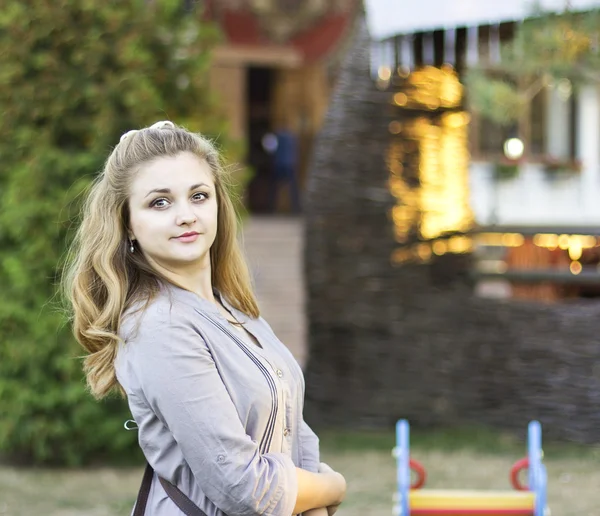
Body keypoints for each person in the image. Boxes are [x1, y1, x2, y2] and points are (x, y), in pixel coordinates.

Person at [62, 121, 346, 515]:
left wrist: (312, 502)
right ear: (128, 223)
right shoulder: (160, 327)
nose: (185, 215)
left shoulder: (231, 307)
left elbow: (293, 433)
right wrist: (333, 487)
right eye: (160, 202)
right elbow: (244, 488)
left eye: (198, 195)